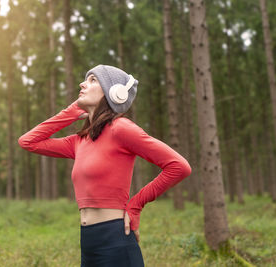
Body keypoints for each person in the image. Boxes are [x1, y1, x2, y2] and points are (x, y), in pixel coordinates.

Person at [18, 64, 192, 267]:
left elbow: (179, 166)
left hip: (116, 241)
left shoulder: (121, 129)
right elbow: (28, 142)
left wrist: (136, 205)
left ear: (114, 92)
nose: (83, 84)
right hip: (89, 243)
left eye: (93, 80)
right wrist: (72, 111)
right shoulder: (79, 141)